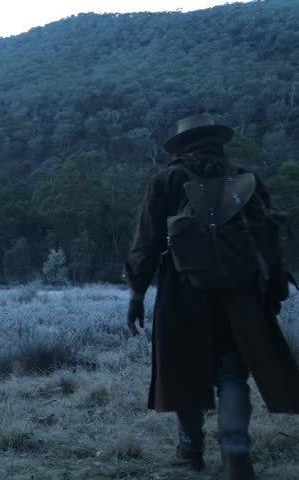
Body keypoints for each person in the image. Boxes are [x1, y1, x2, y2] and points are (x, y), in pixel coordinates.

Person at [123, 114, 299, 480]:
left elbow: (148, 242)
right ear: (218, 143)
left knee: (184, 368)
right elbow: (270, 243)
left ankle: (189, 451)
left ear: (183, 146)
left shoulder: (167, 179)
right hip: (241, 295)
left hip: (183, 292)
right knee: (232, 372)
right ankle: (236, 454)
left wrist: (136, 294)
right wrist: (274, 291)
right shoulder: (246, 180)